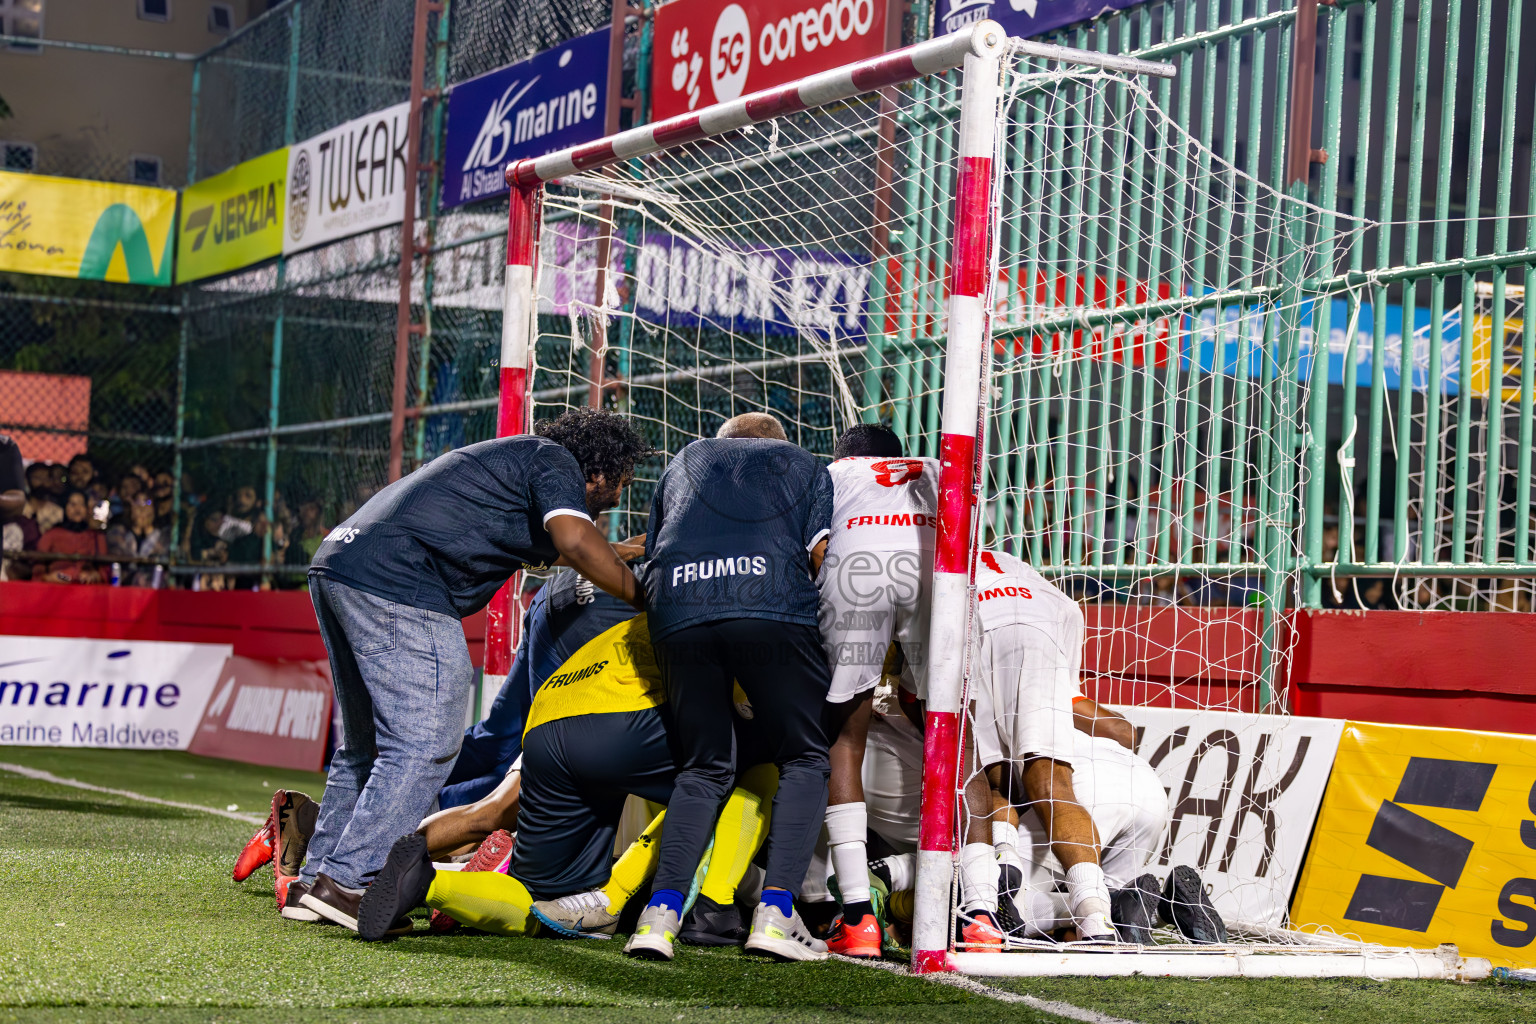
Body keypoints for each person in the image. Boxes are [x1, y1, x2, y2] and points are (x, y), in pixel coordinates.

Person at [295, 408, 652, 932]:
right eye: (619, 482)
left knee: (367, 747)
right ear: (597, 471)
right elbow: (575, 541)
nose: (618, 497)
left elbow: (560, 552)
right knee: (424, 742)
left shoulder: (516, 463)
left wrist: (627, 552)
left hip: (342, 564)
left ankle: (315, 880)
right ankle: (351, 882)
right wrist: (647, 597)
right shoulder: (556, 462)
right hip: (400, 582)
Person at [626, 411, 835, 963]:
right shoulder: (804, 462)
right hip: (768, 604)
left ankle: (659, 915)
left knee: (702, 767)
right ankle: (775, 915)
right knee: (806, 757)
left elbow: (654, 551)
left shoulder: (684, 461)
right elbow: (820, 556)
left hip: (675, 607)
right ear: (777, 444)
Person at [814, 423, 938, 958]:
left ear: (845, 456)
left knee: (844, 737)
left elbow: (814, 553)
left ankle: (859, 916)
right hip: (934, 570)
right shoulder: (935, 471)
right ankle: (980, 910)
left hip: (854, 572)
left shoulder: (831, 475)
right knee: (956, 726)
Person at [33, 490, 108, 583]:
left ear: (86, 509)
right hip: (60, 582)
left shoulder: (97, 536)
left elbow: (104, 571)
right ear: (65, 508)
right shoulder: (51, 534)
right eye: (72, 505)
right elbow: (39, 573)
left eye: (81, 504)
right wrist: (51, 578)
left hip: (88, 587)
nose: (77, 509)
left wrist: (95, 575)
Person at [105, 494, 170, 587]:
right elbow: (119, 558)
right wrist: (136, 531)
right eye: (138, 504)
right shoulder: (118, 533)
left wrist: (149, 531)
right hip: (125, 587)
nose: (142, 509)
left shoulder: (165, 536)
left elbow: (163, 558)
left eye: (147, 503)